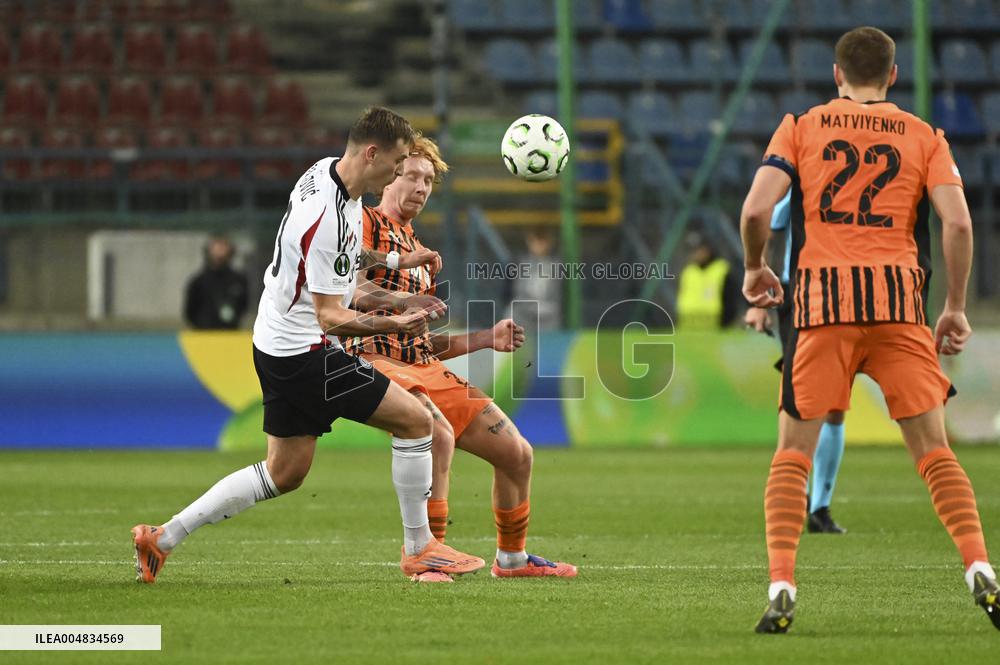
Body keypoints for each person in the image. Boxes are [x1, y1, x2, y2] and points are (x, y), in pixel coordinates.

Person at [131, 107, 485, 583]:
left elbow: (347, 257)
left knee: (286, 471)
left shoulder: (324, 173)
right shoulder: (327, 217)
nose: (401, 173)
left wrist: (399, 265)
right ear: (372, 153)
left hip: (274, 339)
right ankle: (420, 549)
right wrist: (399, 325)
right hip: (305, 352)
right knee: (419, 423)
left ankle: (161, 538)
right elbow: (332, 316)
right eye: (398, 162)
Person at [740, 27, 999, 633]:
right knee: (935, 453)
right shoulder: (923, 135)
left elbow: (756, 209)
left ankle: (782, 585)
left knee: (791, 455)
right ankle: (980, 567)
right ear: (894, 75)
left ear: (837, 74)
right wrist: (955, 306)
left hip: (822, 310)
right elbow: (958, 226)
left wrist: (755, 270)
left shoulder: (801, 126)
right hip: (899, 308)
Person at [344, 134, 577, 579]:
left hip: (420, 365)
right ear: (390, 176)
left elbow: (423, 341)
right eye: (412, 174)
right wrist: (401, 303)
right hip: (372, 358)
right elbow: (347, 292)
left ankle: (511, 560)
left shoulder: (419, 250)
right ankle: (428, 555)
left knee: (517, 453)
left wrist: (484, 338)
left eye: (429, 180)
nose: (421, 186)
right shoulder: (364, 222)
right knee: (437, 433)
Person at [745, 192, 847, 534]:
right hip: (798, 292)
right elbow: (772, 228)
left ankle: (820, 507)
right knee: (799, 392)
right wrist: (763, 300)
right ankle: (796, 492)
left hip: (847, 291)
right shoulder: (804, 171)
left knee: (836, 402)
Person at [677, 233, 743, 330]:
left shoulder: (721, 269)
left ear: (707, 249)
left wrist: (726, 325)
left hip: (715, 327)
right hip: (687, 328)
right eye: (692, 250)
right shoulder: (688, 271)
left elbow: (730, 300)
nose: (695, 254)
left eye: (698, 250)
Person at [183, 236, 249, 329]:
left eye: (223, 246)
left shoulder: (239, 280)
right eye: (217, 246)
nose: (220, 250)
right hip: (204, 334)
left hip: (231, 334)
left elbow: (244, 306)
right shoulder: (198, 281)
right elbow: (189, 311)